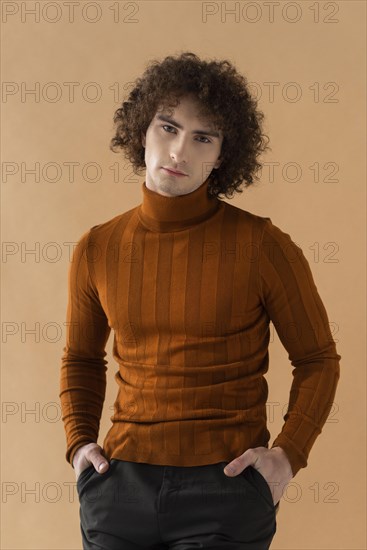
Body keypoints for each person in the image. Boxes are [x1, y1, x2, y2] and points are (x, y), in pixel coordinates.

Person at [59, 51, 341, 549]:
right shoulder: (97, 247)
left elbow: (318, 360)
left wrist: (287, 456)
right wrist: (80, 444)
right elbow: (81, 359)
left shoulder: (262, 246)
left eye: (202, 138)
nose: (178, 151)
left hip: (227, 489)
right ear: (141, 131)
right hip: (119, 486)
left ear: (221, 157)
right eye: (168, 128)